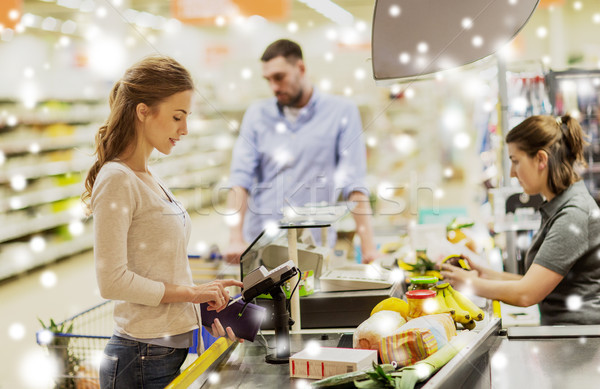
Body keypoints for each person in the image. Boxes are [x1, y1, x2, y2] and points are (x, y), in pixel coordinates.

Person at [81, 56, 243, 389]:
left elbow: (158, 265)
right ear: (143, 111)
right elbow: (111, 281)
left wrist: (204, 303)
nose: (184, 129)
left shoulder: (149, 175)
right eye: (176, 117)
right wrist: (192, 292)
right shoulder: (117, 178)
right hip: (139, 357)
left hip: (163, 352)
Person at [224, 39, 378, 264]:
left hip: (314, 247)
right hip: (261, 245)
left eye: (279, 77)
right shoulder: (256, 115)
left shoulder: (342, 112)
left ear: (301, 68)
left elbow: (354, 186)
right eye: (268, 80)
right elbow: (240, 180)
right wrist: (235, 238)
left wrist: (369, 249)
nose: (274, 87)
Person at [441, 114, 600, 325]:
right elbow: (534, 283)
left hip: (580, 341)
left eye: (516, 161)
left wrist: (471, 283)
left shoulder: (573, 213)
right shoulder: (561, 205)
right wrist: (485, 274)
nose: (513, 173)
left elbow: (527, 294)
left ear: (541, 159)